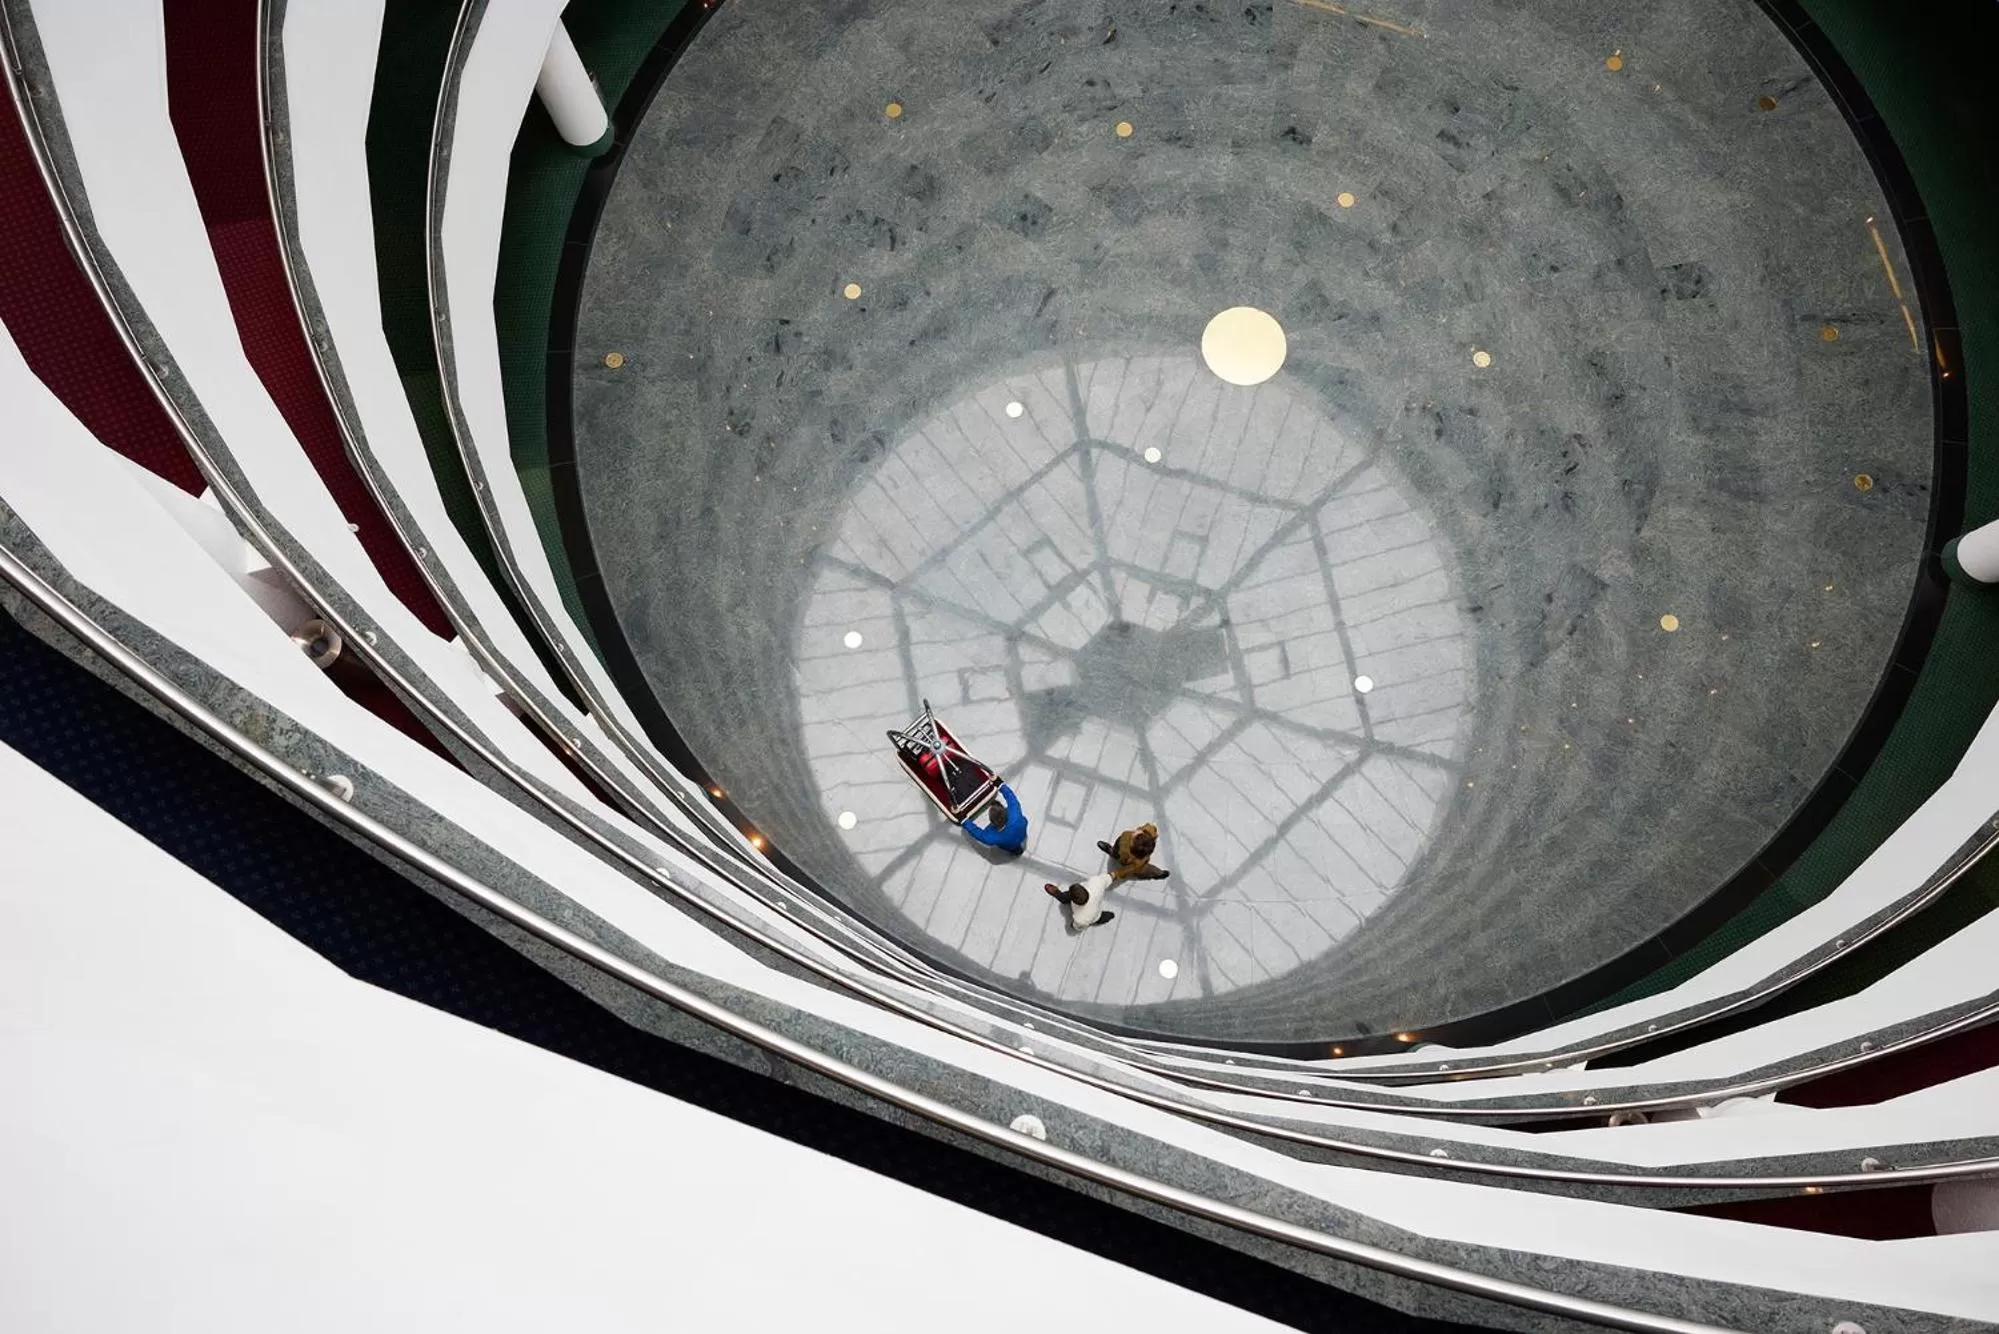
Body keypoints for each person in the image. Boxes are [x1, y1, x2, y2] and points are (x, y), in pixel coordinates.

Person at [961, 782, 1028, 856]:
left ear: (992, 823)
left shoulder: (992, 837)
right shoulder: (1015, 814)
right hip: (1018, 835)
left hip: (1014, 838)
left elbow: (977, 833)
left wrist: (999, 784)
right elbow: (976, 832)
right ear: (1005, 812)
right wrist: (964, 820)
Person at [1098, 822, 1170, 883]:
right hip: (1120, 848)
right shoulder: (1147, 833)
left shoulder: (1136, 862)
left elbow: (1125, 871)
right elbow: (1152, 828)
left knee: (1145, 870)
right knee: (1116, 851)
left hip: (1129, 860)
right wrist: (1144, 830)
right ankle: (1112, 851)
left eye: (1134, 836)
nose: (1134, 832)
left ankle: (1159, 874)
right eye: (1138, 834)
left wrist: (1113, 875)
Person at [1045, 872, 1116, 928]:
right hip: (1094, 907)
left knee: (1100, 918)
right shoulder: (1096, 882)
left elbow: (1078, 927)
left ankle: (1062, 897)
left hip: (1095, 916)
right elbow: (1108, 878)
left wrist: (1073, 926)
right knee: (1104, 916)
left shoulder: (1080, 919)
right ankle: (1110, 915)